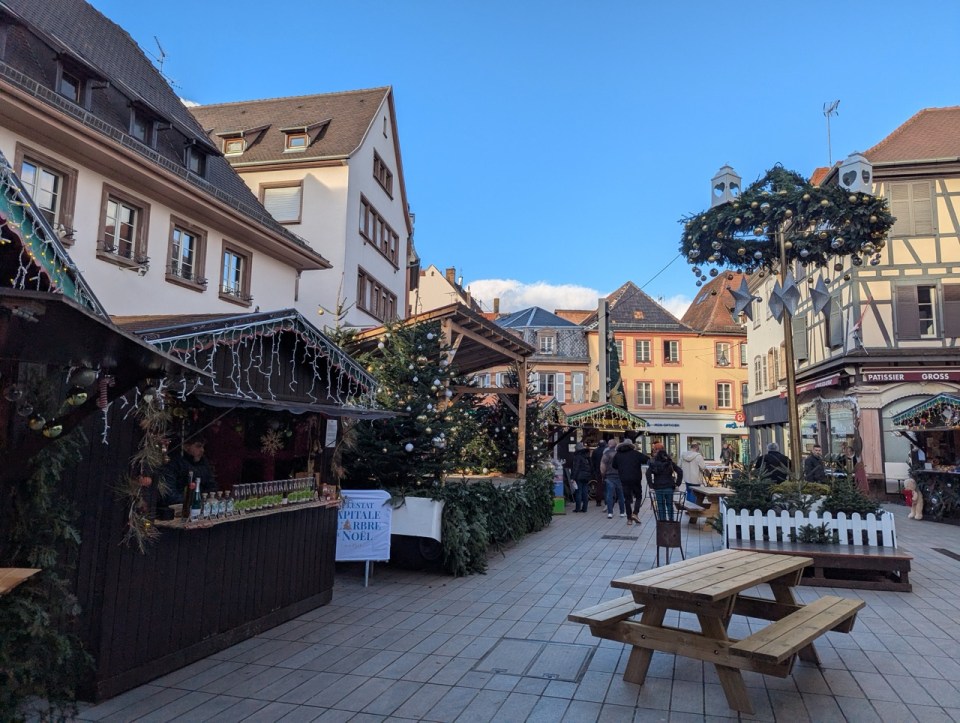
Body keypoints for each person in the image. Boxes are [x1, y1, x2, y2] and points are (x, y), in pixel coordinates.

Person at [158, 437, 216, 507]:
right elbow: (169, 493)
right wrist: (191, 501)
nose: (202, 450)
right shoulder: (174, 464)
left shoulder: (203, 463)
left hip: (201, 504)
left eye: (203, 447)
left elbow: (211, 486)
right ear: (186, 447)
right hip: (179, 506)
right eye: (198, 446)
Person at [613, 438, 649, 524]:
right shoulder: (636, 453)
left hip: (624, 479)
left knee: (627, 498)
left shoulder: (618, 455)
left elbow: (614, 466)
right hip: (636, 478)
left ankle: (629, 519)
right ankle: (635, 513)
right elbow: (647, 459)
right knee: (638, 496)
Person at [647, 448, 683, 521]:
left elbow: (648, 473)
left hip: (658, 486)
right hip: (669, 486)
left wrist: (651, 485)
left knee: (660, 504)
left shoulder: (654, 464)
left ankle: (662, 521)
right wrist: (677, 483)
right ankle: (671, 520)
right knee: (669, 504)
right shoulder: (670, 463)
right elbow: (680, 471)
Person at [600, 438, 626, 519]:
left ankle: (610, 512)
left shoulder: (606, 454)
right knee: (621, 495)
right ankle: (622, 512)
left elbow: (602, 465)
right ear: (616, 445)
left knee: (609, 495)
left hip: (609, 476)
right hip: (619, 476)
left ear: (609, 445)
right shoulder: (620, 454)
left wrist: (603, 475)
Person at [569, 443, 593, 513]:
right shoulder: (587, 455)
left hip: (579, 477)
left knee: (578, 492)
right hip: (586, 476)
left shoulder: (577, 456)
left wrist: (572, 477)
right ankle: (585, 508)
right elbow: (591, 466)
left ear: (577, 449)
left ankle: (577, 508)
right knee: (585, 492)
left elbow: (576, 468)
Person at [590, 441, 607, 506]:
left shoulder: (595, 451)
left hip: (598, 470)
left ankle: (598, 501)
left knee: (599, 485)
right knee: (607, 485)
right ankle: (607, 500)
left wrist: (594, 470)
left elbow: (592, 462)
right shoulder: (607, 451)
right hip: (606, 470)